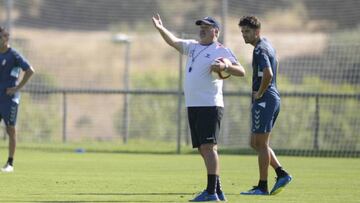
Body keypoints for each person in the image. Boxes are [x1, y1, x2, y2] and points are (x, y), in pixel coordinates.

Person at [152, 14, 245, 201]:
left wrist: (225, 65)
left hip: (210, 105)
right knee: (203, 149)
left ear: (216, 32)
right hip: (193, 105)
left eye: (207, 26)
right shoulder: (193, 47)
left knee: (209, 148)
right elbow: (174, 42)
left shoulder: (220, 49)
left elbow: (241, 71)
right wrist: (161, 29)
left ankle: (211, 193)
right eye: (201, 26)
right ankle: (217, 190)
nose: (202, 29)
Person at [238, 16, 292, 195]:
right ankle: (281, 173)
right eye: (242, 31)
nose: (244, 35)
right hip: (271, 98)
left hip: (265, 100)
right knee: (254, 142)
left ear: (257, 32)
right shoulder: (267, 44)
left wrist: (259, 93)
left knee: (261, 144)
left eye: (247, 31)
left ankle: (262, 186)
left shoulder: (260, 50)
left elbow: (268, 74)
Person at [0, 26, 35, 173]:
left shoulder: (13, 55)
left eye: (1, 37)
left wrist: (17, 88)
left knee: (10, 130)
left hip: (9, 99)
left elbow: (30, 70)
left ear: (6, 38)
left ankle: (10, 163)